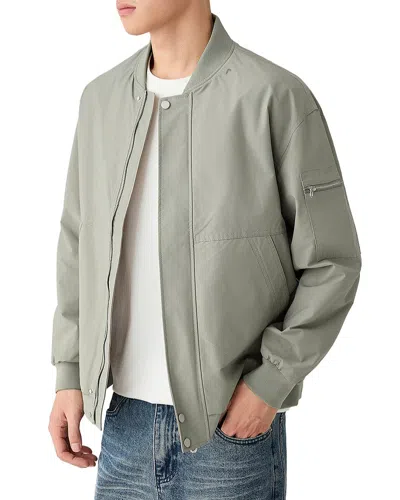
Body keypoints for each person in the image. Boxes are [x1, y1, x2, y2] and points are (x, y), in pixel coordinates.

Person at [48, 1, 362, 499]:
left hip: (230, 433)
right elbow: (77, 244)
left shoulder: (273, 96)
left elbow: (332, 262)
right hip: (121, 428)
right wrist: (70, 371)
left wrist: (269, 383)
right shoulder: (100, 101)